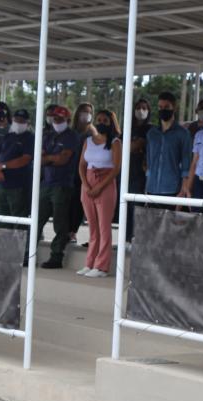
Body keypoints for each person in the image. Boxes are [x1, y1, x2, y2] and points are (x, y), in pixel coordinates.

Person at [77, 109, 122, 278]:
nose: (102, 122)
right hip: (87, 183)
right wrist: (86, 185)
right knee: (92, 227)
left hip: (105, 183)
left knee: (104, 227)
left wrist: (99, 187)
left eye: (105, 120)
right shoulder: (88, 141)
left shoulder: (116, 142)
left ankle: (102, 266)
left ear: (111, 123)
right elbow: (81, 165)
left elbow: (116, 168)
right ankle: (90, 263)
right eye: (99, 119)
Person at [36, 105, 79, 268]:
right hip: (46, 183)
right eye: (54, 118)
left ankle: (56, 256)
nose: (55, 120)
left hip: (62, 185)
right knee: (37, 220)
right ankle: (28, 254)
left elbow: (63, 160)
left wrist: (48, 157)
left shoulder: (72, 136)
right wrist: (52, 157)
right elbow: (40, 159)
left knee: (60, 223)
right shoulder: (47, 135)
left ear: (67, 119)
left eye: (59, 118)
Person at [145, 92, 193, 208]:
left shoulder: (183, 134)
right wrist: (146, 187)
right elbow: (149, 163)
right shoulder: (152, 134)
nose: (163, 110)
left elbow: (187, 165)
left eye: (167, 107)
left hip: (172, 190)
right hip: (152, 189)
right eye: (160, 107)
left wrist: (183, 189)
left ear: (174, 108)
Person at [0, 109, 35, 224]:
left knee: (18, 220)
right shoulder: (8, 136)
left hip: (18, 186)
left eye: (22, 120)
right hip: (1, 185)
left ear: (27, 123)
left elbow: (25, 159)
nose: (19, 122)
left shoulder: (30, 138)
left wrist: (3, 166)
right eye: (17, 120)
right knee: (1, 220)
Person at [126, 98, 153, 242]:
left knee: (137, 206)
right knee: (126, 207)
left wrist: (133, 145)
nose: (141, 110)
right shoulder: (128, 127)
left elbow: (131, 147)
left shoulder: (149, 129)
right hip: (126, 172)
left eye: (144, 108)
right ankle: (126, 237)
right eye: (138, 107)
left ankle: (136, 238)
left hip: (140, 174)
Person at [69, 103, 94, 242]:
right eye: (84, 112)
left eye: (89, 112)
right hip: (68, 174)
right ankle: (66, 231)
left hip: (84, 174)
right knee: (68, 204)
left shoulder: (92, 134)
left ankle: (73, 231)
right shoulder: (71, 133)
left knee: (79, 205)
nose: (86, 115)